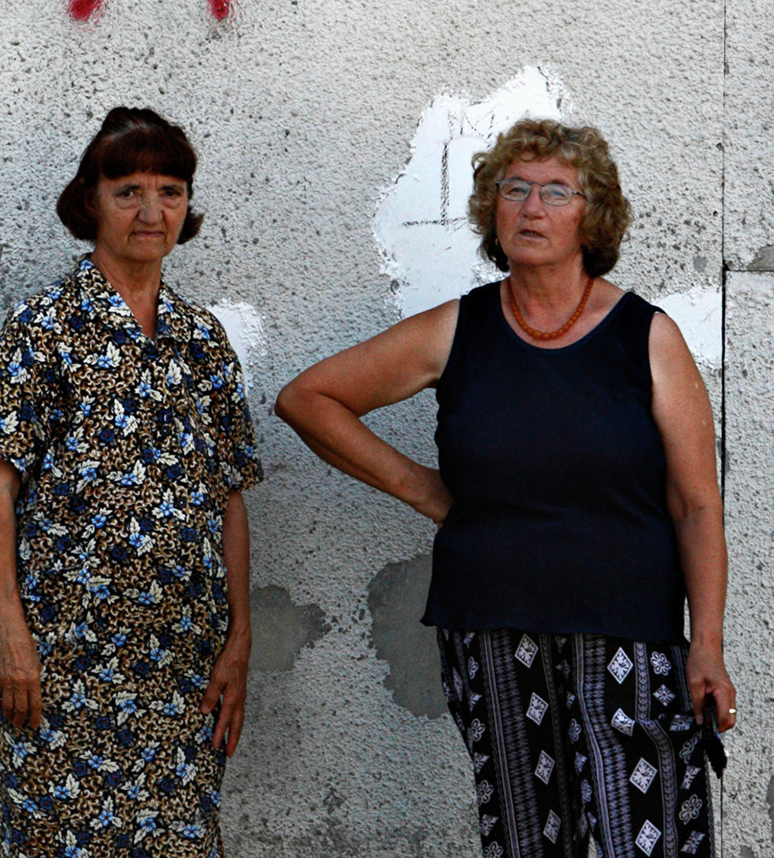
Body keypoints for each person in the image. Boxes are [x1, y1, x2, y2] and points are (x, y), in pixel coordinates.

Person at [276, 118, 732, 858]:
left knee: (644, 841)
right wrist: (425, 492)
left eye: (556, 191)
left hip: (630, 640)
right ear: (492, 209)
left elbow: (696, 505)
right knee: (527, 840)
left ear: (595, 215)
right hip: (493, 636)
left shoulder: (646, 337)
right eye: (513, 189)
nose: (531, 207)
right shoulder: (460, 330)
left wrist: (705, 646)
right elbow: (309, 399)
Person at [0, 107, 260, 858]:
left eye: (170, 190)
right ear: (90, 200)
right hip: (60, 667)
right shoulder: (44, 330)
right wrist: (9, 640)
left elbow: (228, 495)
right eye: (128, 190)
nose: (152, 211)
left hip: (182, 669)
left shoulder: (203, 343)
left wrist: (239, 641)